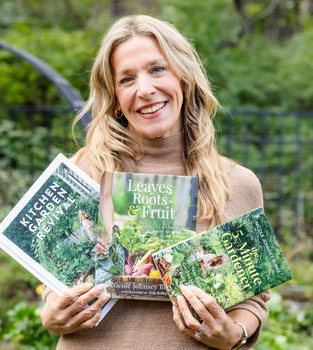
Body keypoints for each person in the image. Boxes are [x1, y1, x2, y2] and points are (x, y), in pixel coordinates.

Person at [41, 14, 270, 350]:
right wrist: (51, 315)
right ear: (115, 96)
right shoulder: (84, 171)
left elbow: (253, 301)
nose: (145, 90)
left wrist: (234, 335)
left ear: (184, 78)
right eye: (127, 79)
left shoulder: (237, 183)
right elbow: (52, 283)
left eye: (158, 69)